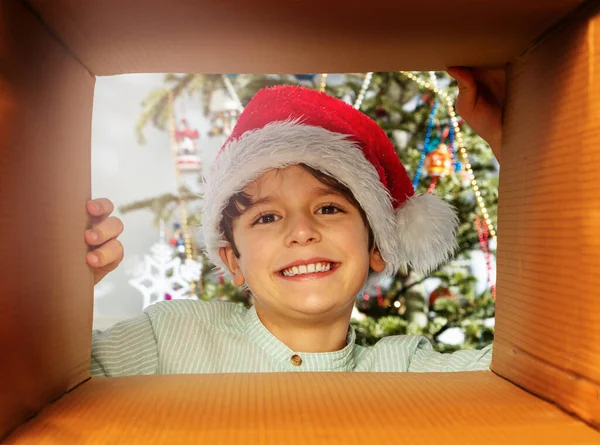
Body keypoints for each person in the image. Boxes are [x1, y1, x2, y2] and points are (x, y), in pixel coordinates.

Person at [87, 68, 505, 377]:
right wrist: (59, 286)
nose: (302, 232)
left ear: (376, 245)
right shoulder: (172, 338)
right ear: (232, 260)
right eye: (267, 217)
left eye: (328, 208)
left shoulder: (405, 368)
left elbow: (544, 376)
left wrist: (511, 142)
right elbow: (46, 384)